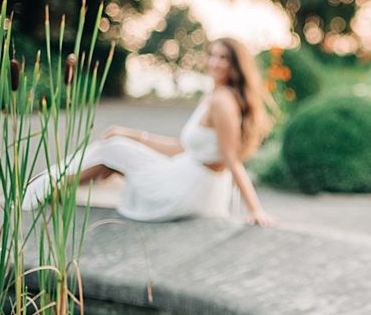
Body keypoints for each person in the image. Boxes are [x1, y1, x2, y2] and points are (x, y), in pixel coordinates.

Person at [24, 37, 277, 227]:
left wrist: (255, 210)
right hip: (192, 180)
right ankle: (44, 192)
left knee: (113, 151)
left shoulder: (222, 101)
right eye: (212, 55)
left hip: (188, 189)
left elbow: (231, 158)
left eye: (224, 58)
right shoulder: (217, 96)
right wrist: (131, 133)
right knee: (115, 149)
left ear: (236, 65)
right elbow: (183, 147)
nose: (215, 63)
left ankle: (39, 195)